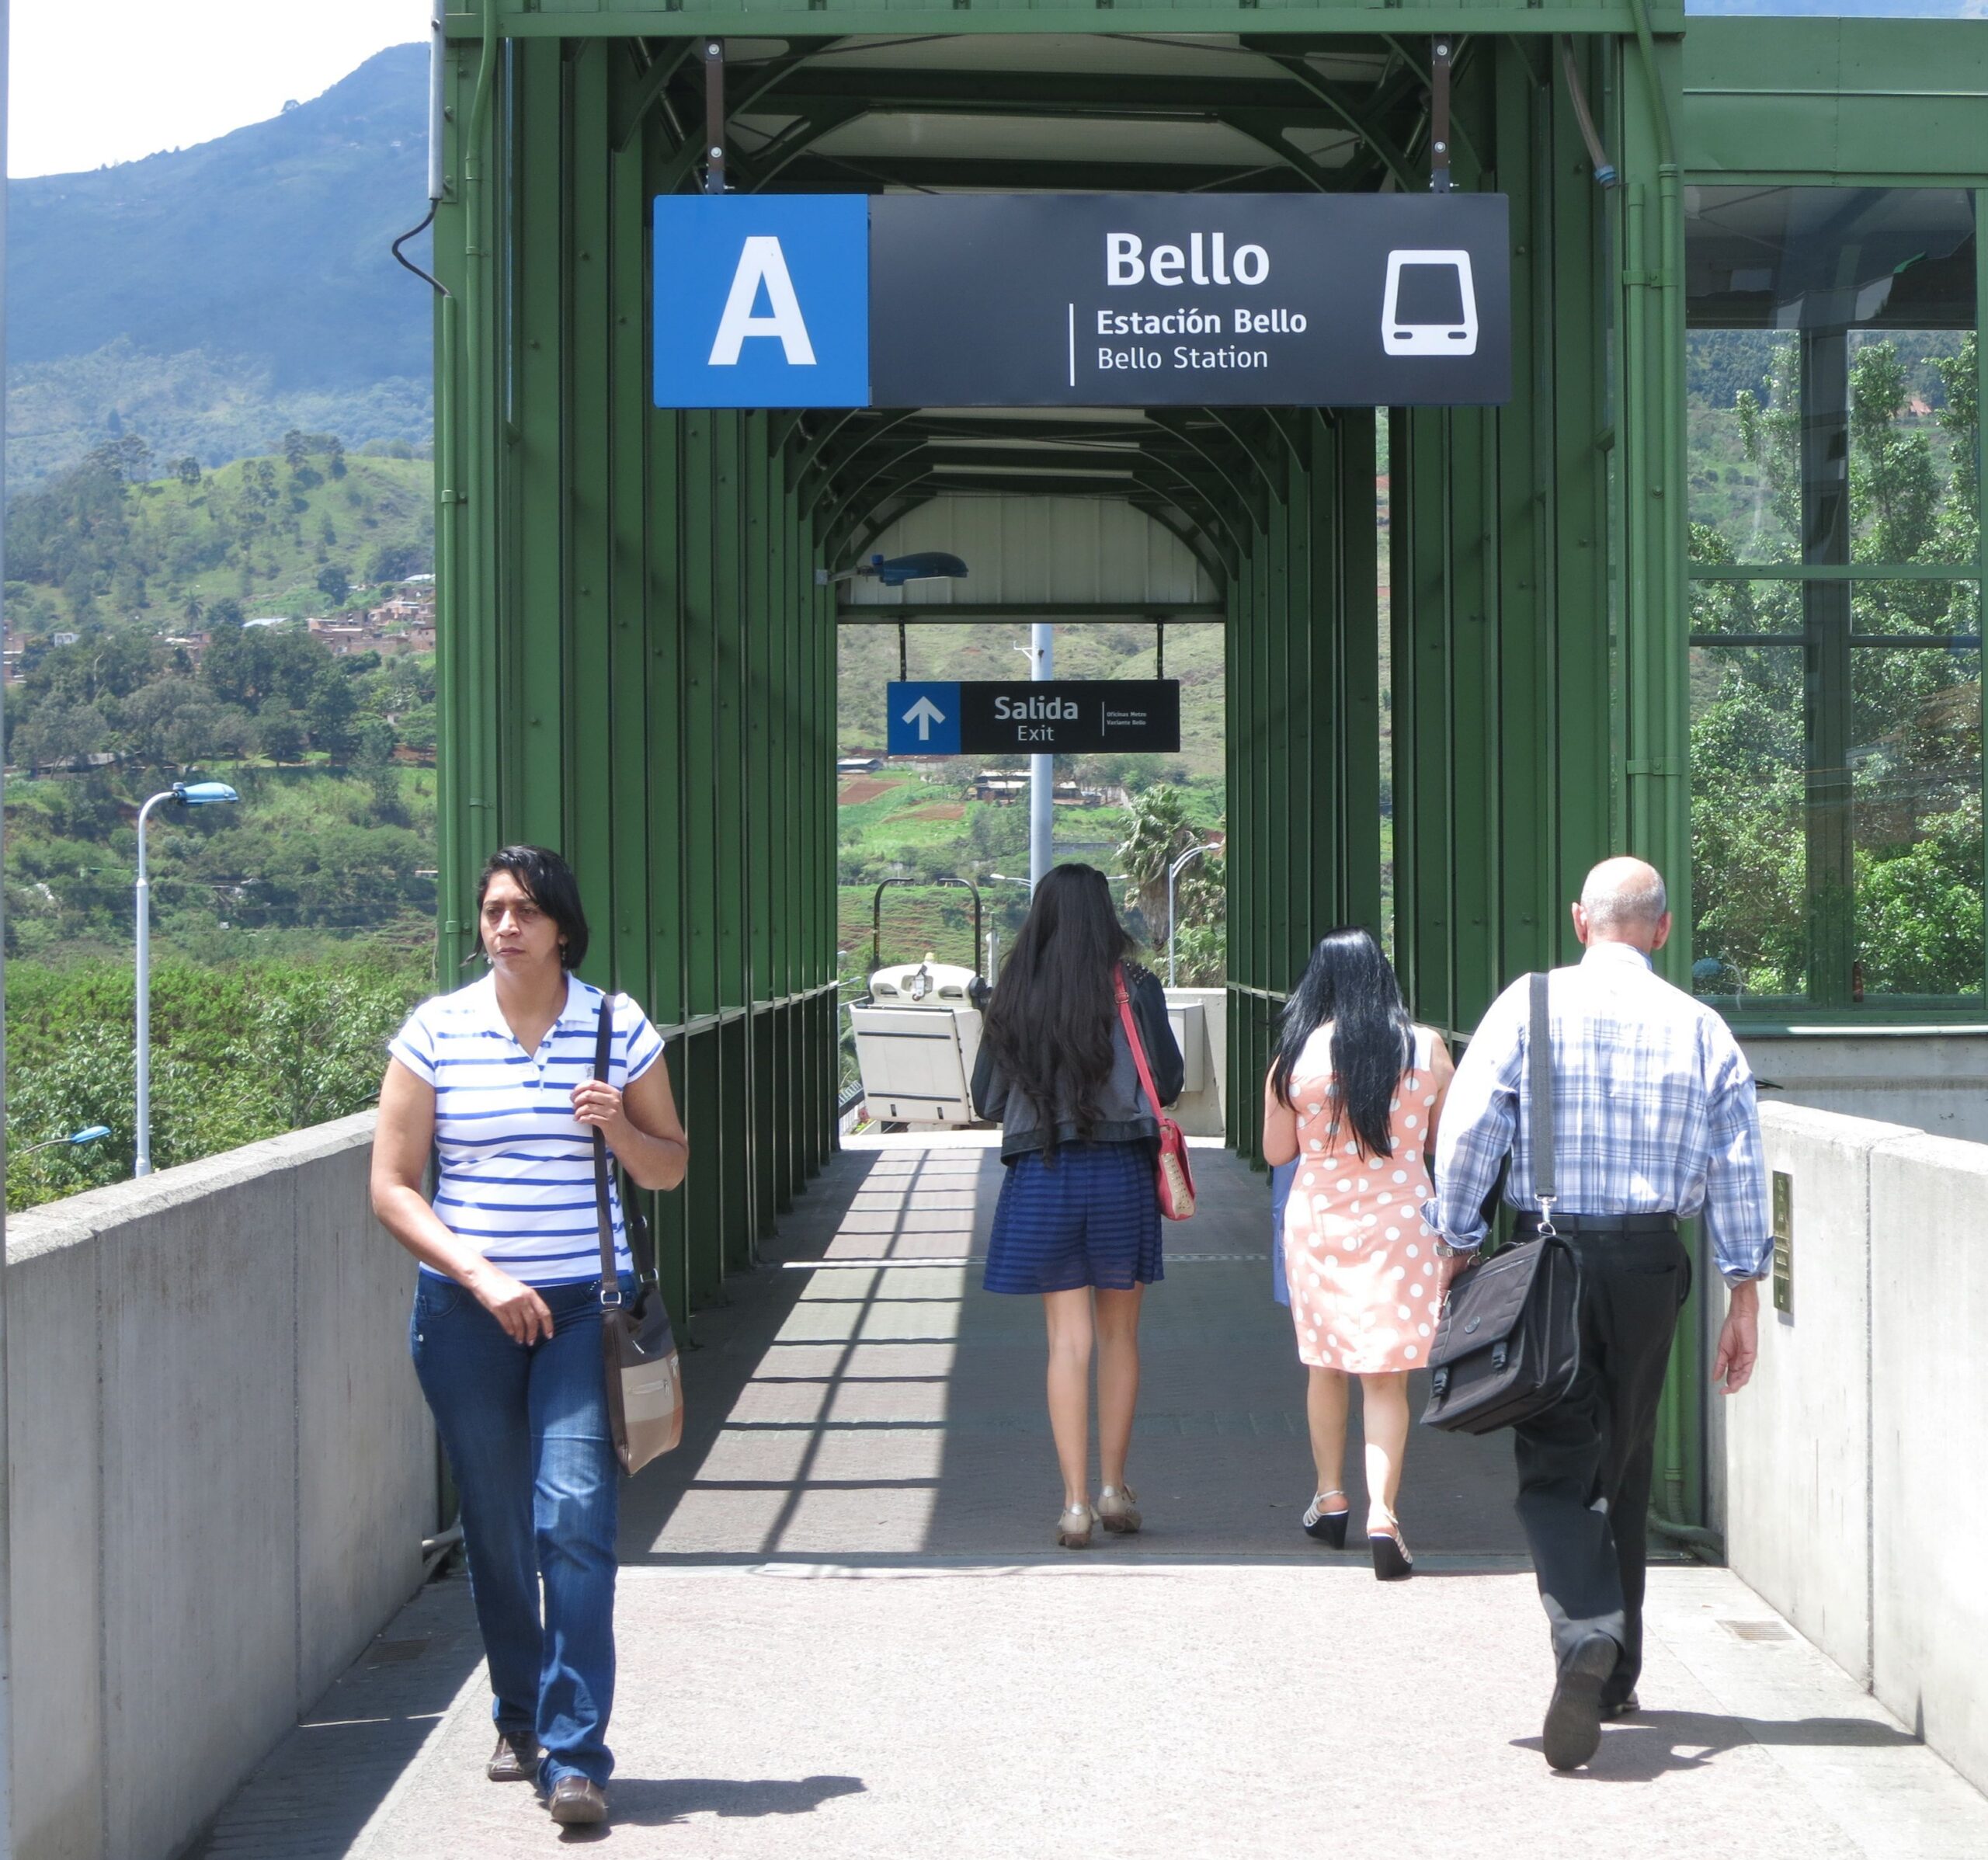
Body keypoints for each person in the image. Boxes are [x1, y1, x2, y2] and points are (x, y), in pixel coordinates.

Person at [1427, 856, 1769, 1773]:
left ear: (1580, 920)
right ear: (1661, 929)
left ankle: (1586, 1636)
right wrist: (1743, 1290)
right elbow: (1739, 1161)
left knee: (1555, 1458)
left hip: (1550, 1259)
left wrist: (1455, 1238)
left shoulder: (1525, 1005)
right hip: (1651, 1261)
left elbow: (1469, 1130)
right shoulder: (1700, 1026)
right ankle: (1615, 1677)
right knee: (1625, 1450)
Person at [370, 847, 689, 1828]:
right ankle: (519, 1716)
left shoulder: (616, 1026)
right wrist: (481, 1275)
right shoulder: (436, 1031)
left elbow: (669, 1166)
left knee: (574, 1516)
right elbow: (392, 1186)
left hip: (585, 1311)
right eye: (493, 910)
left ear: (562, 929)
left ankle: (576, 1755)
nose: (506, 925)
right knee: (500, 1526)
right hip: (468, 1313)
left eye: (526, 911)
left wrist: (619, 1130)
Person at [970, 864, 1185, 1549]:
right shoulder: (1136, 986)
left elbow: (985, 1099)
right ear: (1105, 916)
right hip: (1121, 1172)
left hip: (1044, 1171)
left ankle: (1072, 1505)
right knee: (1120, 1336)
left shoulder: (1015, 990)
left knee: (1067, 1341)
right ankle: (1114, 1488)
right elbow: (1169, 1080)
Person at [1262, 928, 1453, 1580]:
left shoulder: (1295, 1055)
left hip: (1320, 1222)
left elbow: (1277, 1152)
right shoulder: (1427, 1046)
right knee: (1385, 1377)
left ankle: (1330, 1496)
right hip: (1402, 1222)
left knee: (1325, 1365)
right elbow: (1442, 1140)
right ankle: (1384, 1515)